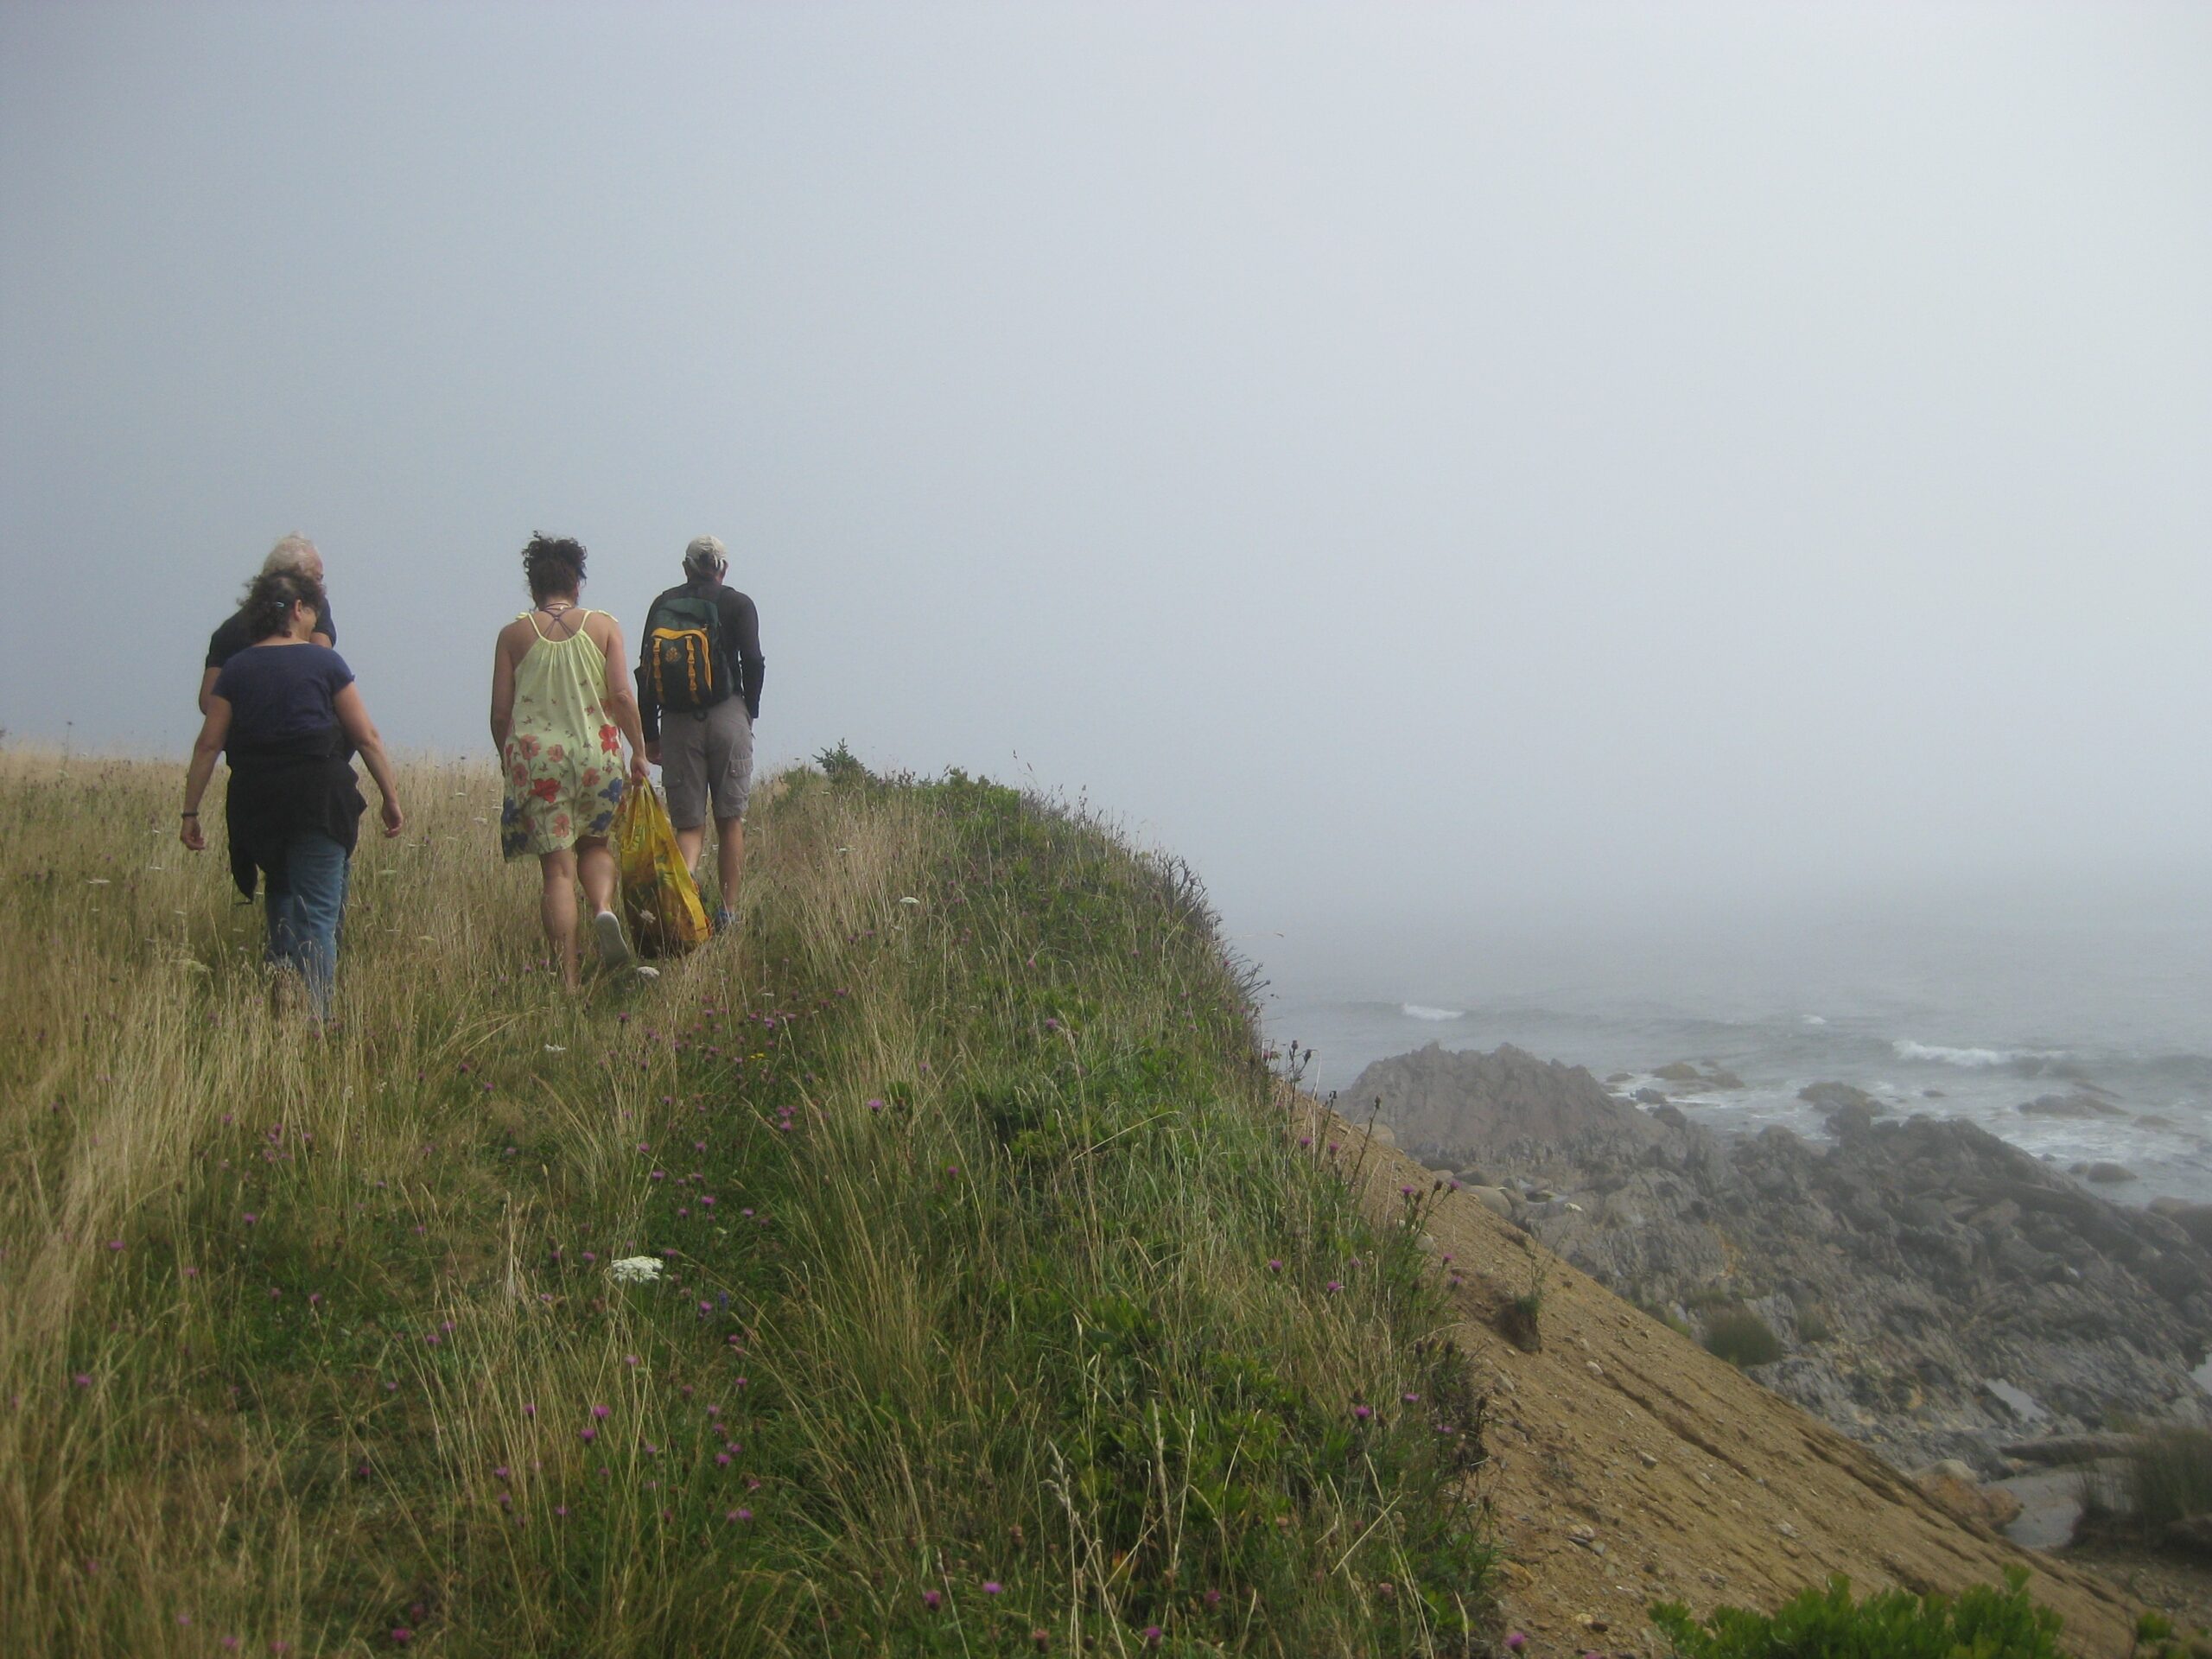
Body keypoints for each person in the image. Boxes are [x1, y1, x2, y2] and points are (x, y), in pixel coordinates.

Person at [181, 567, 404, 1020]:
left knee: (282, 896)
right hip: (318, 801)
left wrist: (190, 812)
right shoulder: (325, 663)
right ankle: (316, 1019)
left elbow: (208, 745)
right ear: (299, 609)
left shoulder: (236, 669)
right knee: (318, 914)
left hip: (256, 804)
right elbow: (365, 737)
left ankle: (282, 1001)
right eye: (313, 612)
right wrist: (391, 797)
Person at [490, 533, 652, 990]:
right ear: (577, 583)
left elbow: (500, 713)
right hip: (597, 752)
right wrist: (639, 751)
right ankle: (602, 908)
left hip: (538, 761)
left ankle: (569, 980)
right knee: (596, 846)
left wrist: (508, 759)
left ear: (533, 586)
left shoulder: (512, 636)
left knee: (557, 871)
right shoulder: (604, 626)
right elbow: (621, 695)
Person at [637, 534, 765, 932]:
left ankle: (685, 893)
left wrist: (650, 734)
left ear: (686, 567)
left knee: (689, 825)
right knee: (730, 819)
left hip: (677, 722)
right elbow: (753, 661)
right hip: (728, 714)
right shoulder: (738, 603)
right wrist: (749, 710)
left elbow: (645, 672)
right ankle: (727, 913)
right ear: (723, 568)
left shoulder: (663, 604)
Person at [200, 534, 335, 714]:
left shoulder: (227, 631)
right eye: (315, 579)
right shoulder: (313, 609)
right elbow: (323, 663)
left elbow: (208, 702)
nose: (319, 589)